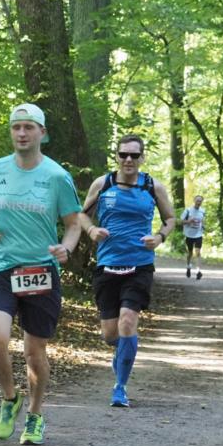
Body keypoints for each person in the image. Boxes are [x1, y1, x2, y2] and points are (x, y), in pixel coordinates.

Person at [0, 103, 82, 445]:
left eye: (29, 127)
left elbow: (72, 224)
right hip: (1, 268)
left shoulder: (56, 176)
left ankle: (35, 415)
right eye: (16, 127)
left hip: (40, 271)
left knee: (35, 352)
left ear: (42, 133)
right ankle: (10, 399)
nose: (21, 133)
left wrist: (66, 247)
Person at [76, 134, 176, 408]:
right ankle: (122, 351)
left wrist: (159, 237)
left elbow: (170, 219)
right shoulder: (103, 183)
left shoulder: (153, 187)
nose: (128, 160)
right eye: (123, 155)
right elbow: (82, 214)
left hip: (139, 265)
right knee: (110, 334)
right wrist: (92, 229)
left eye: (134, 155)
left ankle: (120, 387)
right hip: (107, 265)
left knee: (128, 322)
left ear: (142, 158)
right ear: (117, 157)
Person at [180, 195, 206, 279]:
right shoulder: (188, 210)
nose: (199, 202)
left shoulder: (203, 211)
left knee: (198, 252)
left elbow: (203, 221)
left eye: (200, 201)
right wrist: (189, 221)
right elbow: (181, 222)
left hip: (198, 234)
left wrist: (204, 227)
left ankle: (198, 271)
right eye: (197, 201)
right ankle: (188, 267)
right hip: (189, 235)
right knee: (190, 253)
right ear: (194, 201)